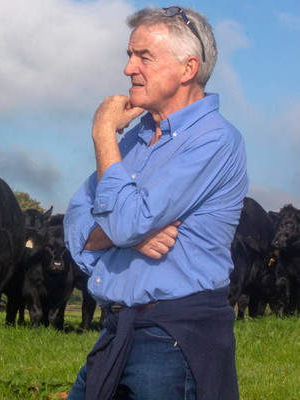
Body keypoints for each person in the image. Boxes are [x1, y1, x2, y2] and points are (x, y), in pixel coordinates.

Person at [63, 5, 247, 400]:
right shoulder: (134, 137)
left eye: (144, 56)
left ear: (187, 69)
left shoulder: (214, 140)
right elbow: (75, 218)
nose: (129, 68)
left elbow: (126, 221)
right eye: (130, 55)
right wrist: (122, 235)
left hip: (174, 341)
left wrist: (101, 134)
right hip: (118, 333)